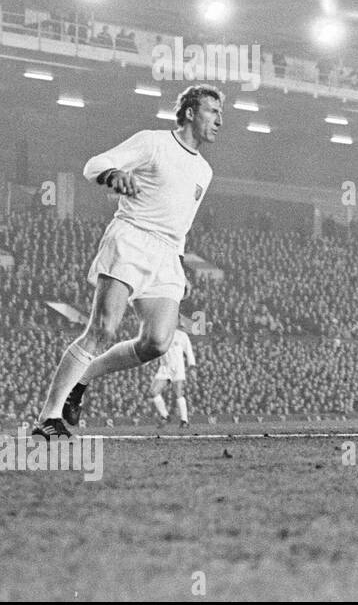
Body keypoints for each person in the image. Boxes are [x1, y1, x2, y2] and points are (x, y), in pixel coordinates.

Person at [40, 84, 222, 438]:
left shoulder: (205, 171)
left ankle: (84, 379)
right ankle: (49, 417)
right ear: (189, 112)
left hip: (168, 253)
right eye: (213, 111)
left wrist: (179, 263)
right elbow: (95, 164)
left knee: (157, 342)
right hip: (132, 238)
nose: (219, 120)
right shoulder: (153, 142)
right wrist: (113, 175)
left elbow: (180, 220)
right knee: (103, 329)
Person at [150, 323, 196, 428]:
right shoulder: (159, 335)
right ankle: (165, 416)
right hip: (164, 367)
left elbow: (189, 351)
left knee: (178, 392)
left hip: (177, 367)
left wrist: (192, 366)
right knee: (153, 391)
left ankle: (184, 420)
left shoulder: (181, 335)